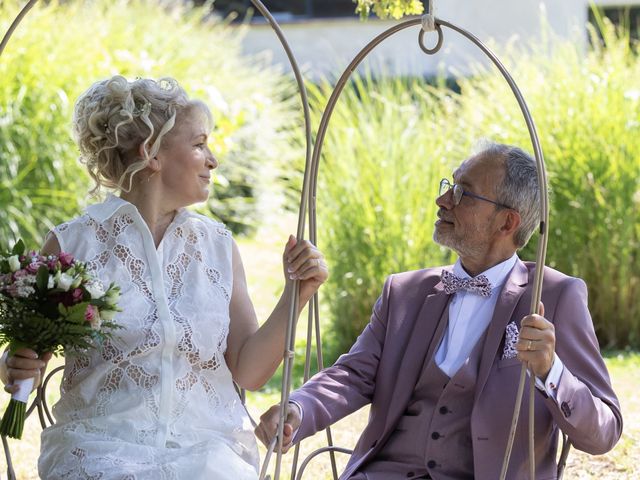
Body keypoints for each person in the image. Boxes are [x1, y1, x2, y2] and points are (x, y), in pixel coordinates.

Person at [0, 75, 328, 480]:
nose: (213, 159)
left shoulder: (218, 247)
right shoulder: (74, 243)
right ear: (151, 154)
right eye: (199, 144)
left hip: (208, 453)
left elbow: (249, 371)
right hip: (99, 449)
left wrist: (297, 293)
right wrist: (14, 365)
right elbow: (26, 357)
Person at [255, 143, 622, 480]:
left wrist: (550, 371)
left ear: (507, 222)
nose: (442, 199)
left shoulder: (556, 296)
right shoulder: (404, 292)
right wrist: (298, 408)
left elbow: (604, 431)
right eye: (450, 185)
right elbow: (352, 375)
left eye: (463, 192)